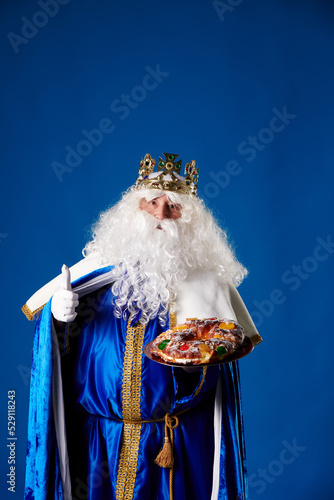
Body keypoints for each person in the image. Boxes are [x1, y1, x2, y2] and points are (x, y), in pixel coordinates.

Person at [23, 153, 262, 500]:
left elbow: (219, 369)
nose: (161, 214)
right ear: (133, 209)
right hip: (98, 443)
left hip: (175, 444)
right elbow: (58, 360)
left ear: (192, 222)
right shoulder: (94, 275)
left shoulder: (210, 287)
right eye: (152, 202)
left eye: (173, 207)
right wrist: (56, 319)